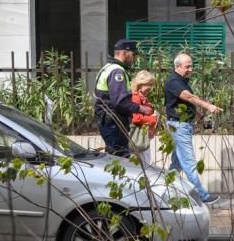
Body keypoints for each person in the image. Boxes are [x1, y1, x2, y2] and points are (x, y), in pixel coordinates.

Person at [164, 53, 223, 205]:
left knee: (176, 163)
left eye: (191, 65)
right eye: (187, 66)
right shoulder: (173, 81)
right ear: (177, 66)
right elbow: (189, 98)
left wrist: (200, 117)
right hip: (178, 126)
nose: (191, 69)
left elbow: (186, 104)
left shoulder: (182, 81)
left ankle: (165, 191)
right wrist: (209, 106)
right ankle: (202, 196)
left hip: (180, 125)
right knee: (189, 162)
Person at [94, 39, 153, 157]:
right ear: (124, 53)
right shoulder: (117, 72)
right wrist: (142, 108)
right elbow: (120, 102)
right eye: (133, 54)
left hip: (108, 120)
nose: (135, 58)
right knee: (120, 159)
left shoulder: (107, 67)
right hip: (113, 122)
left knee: (115, 157)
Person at [130, 70, 158, 166]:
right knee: (143, 163)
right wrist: (153, 119)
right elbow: (136, 118)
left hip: (142, 136)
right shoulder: (135, 97)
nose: (150, 88)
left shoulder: (141, 97)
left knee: (144, 162)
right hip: (138, 137)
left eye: (151, 85)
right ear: (140, 84)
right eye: (148, 84)